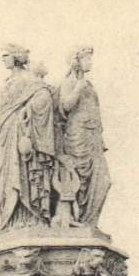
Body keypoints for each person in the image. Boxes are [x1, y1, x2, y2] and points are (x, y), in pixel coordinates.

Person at [0, 44, 59, 229]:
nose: (3, 59)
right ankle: (10, 220)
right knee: (2, 176)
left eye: (6, 55)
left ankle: (29, 217)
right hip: (6, 135)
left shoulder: (28, 79)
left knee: (22, 174)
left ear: (16, 57)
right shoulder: (8, 81)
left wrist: (26, 113)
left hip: (20, 132)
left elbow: (44, 97)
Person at [54, 46, 110, 229]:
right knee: (78, 179)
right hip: (77, 137)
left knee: (103, 181)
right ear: (76, 62)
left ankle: (89, 222)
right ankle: (77, 221)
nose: (90, 62)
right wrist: (79, 87)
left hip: (92, 137)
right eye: (87, 59)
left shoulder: (90, 85)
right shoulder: (69, 82)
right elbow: (66, 105)